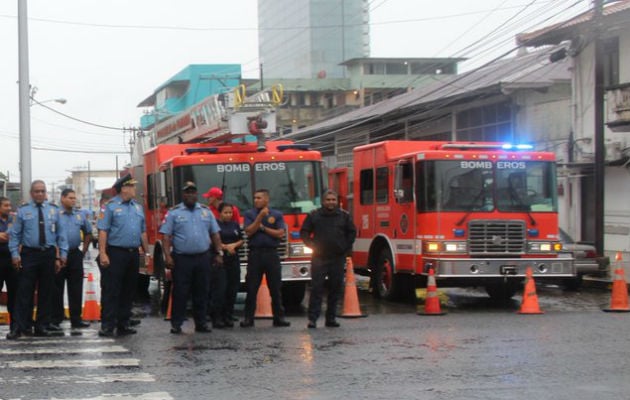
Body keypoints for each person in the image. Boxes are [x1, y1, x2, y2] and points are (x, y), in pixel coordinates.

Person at [159, 182, 224, 334]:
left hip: (203, 258)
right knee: (180, 292)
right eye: (187, 192)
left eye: (193, 192)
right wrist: (167, 256)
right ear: (183, 195)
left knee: (202, 292)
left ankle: (201, 323)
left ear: (197, 194)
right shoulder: (174, 213)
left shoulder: (206, 212)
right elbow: (166, 236)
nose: (190, 195)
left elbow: (215, 234)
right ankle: (177, 323)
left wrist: (219, 253)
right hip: (182, 259)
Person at [7, 180, 68, 340]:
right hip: (29, 255)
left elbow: (61, 235)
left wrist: (62, 255)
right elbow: (15, 235)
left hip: (47, 254)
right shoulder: (23, 211)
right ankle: (19, 327)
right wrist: (15, 255)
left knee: (46, 292)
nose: (40, 194)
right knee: (24, 292)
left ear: (46, 192)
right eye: (37, 191)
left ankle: (42, 326)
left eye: (42, 191)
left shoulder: (54, 211)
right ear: (31, 193)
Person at [97, 174, 149, 337]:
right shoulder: (110, 207)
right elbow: (103, 230)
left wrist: (146, 252)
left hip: (132, 253)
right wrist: (103, 253)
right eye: (132, 186)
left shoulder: (137, 207)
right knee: (112, 289)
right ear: (124, 188)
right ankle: (107, 324)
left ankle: (123, 323)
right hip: (115, 253)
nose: (135, 189)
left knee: (129, 290)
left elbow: (143, 232)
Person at [300, 189, 356, 328]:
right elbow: (305, 232)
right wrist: (312, 245)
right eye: (328, 200)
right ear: (323, 201)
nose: (331, 202)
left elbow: (352, 232)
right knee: (317, 288)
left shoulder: (344, 216)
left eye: (333, 200)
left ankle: (330, 318)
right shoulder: (314, 216)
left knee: (335, 289)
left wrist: (345, 247)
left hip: (337, 257)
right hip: (319, 257)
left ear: (337, 201)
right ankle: (312, 319)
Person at [240, 189, 290, 328]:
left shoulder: (277, 214)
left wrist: (263, 229)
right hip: (255, 254)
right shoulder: (249, 214)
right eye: (255, 198)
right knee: (251, 287)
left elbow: (280, 233)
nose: (256, 200)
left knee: (275, 288)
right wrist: (260, 218)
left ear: (267, 200)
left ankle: (279, 317)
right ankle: (248, 318)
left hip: (272, 254)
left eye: (259, 198)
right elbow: (249, 231)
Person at [51, 188, 92, 330]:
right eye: (70, 198)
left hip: (75, 254)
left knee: (76, 287)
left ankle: (76, 319)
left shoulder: (80, 215)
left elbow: (88, 232)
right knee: (57, 288)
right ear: (62, 198)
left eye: (74, 198)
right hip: (59, 255)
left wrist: (84, 250)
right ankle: (56, 318)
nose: (73, 200)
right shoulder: (55, 215)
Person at [213, 202, 244, 328]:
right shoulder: (215, 225)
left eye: (230, 212)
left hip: (234, 259)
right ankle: (217, 316)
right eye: (225, 212)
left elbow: (241, 239)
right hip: (221, 260)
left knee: (233, 288)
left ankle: (229, 315)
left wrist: (234, 245)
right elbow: (214, 240)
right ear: (220, 213)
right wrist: (225, 247)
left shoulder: (235, 224)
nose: (228, 215)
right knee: (221, 289)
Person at [0, 197, 17, 333]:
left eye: (10, 205)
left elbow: (15, 236)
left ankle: (15, 326)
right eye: (6, 205)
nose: (9, 208)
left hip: (12, 261)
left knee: (14, 294)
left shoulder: (14, 220)